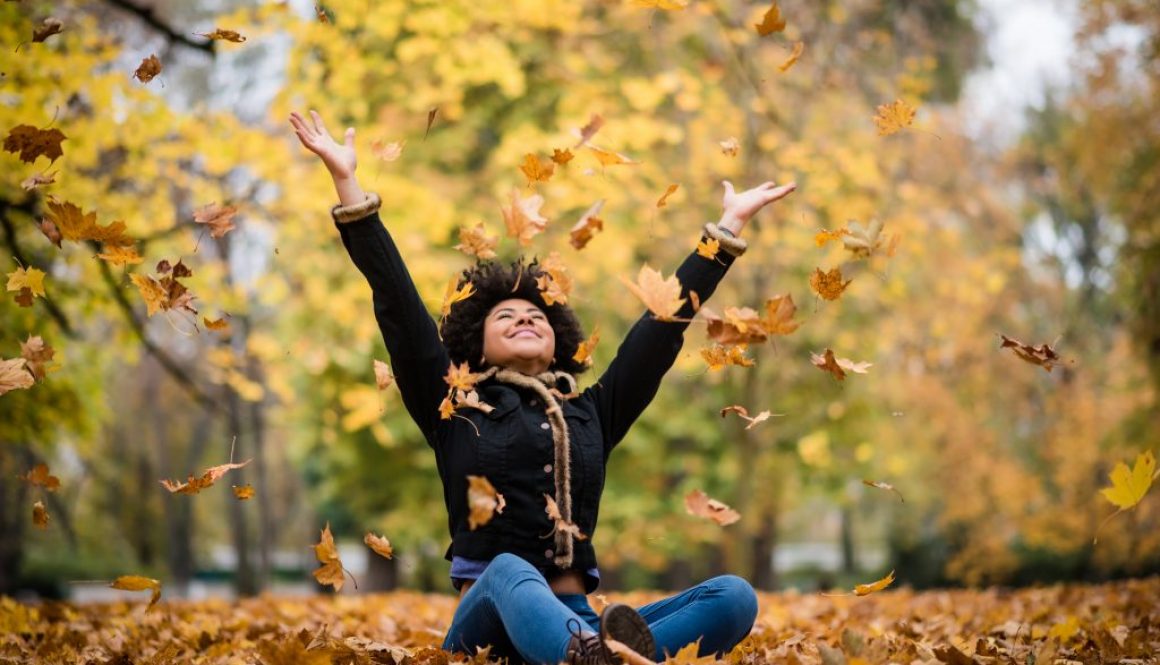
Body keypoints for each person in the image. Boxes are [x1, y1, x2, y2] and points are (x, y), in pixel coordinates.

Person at [290, 109, 796, 665]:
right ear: (475, 346)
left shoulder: (591, 413)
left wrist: (724, 235)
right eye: (505, 316)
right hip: (490, 623)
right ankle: (593, 657)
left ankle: (601, 658)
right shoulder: (455, 405)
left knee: (733, 596)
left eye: (536, 316)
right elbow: (399, 308)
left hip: (582, 622)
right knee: (511, 568)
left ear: (558, 342)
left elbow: (657, 335)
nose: (524, 319)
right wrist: (348, 185)